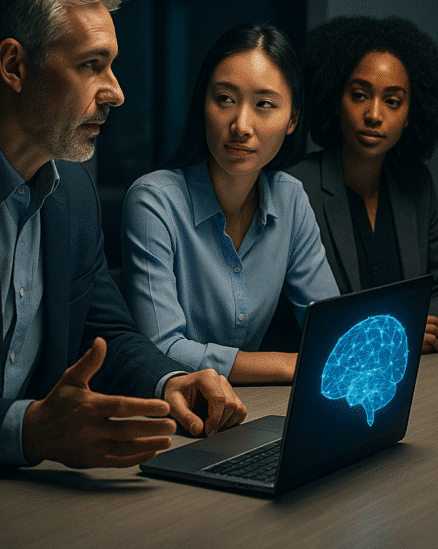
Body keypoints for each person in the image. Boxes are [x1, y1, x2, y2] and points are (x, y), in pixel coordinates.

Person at [0, 0, 246, 481]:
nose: (117, 92)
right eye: (91, 64)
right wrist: (25, 430)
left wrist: (169, 381)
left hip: (32, 495)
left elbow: (105, 334)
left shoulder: (72, 191)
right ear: (13, 66)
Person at [121, 23, 339, 384]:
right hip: (170, 407)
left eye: (264, 104)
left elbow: (331, 329)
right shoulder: (154, 201)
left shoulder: (291, 199)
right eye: (225, 99)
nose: (241, 125)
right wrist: (289, 365)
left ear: (292, 120)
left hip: (252, 404)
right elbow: (162, 348)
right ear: (202, 104)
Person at [287, 15, 438, 353]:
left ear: (409, 116)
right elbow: (291, 319)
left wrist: (414, 321)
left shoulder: (416, 184)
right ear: (335, 99)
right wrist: (397, 328)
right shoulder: (295, 188)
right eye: (360, 95)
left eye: (392, 101)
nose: (374, 115)